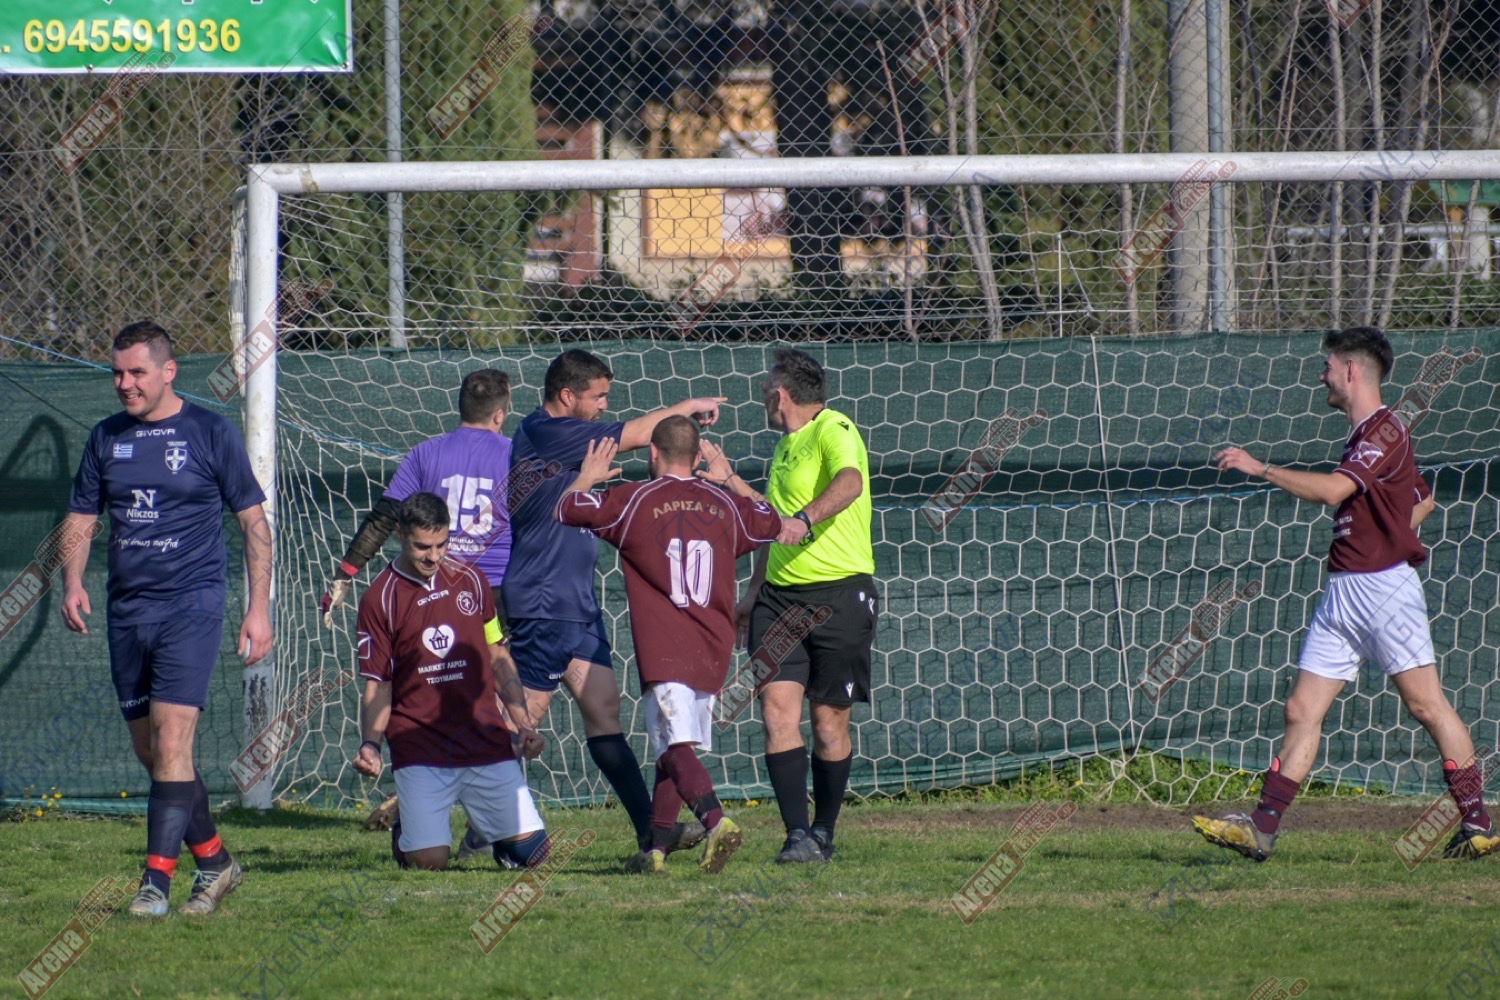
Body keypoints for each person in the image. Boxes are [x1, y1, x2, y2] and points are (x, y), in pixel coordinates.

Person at [1192, 326, 1498, 862]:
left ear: (1351, 370)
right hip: (1344, 591)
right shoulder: (1367, 436)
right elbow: (1422, 500)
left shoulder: (1383, 429)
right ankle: (1262, 829)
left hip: (1382, 590)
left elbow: (1335, 491)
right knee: (1300, 709)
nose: (1322, 376)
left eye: (1328, 367)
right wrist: (1392, 528)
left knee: (1425, 705)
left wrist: (1260, 467)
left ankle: (1478, 823)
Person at [61, 321, 274, 917]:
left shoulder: (210, 431)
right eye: (117, 373)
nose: (125, 383)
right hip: (127, 612)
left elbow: (253, 523)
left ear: (168, 371)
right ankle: (216, 861)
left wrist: (258, 608)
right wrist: (72, 582)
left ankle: (155, 884)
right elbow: (81, 518)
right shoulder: (105, 438)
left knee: (173, 740)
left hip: (191, 606)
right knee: (154, 755)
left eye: (137, 372)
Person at [502, 348, 727, 863]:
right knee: (520, 722)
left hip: (575, 602)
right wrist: (686, 409)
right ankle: (492, 828)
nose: (605, 404)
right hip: (544, 598)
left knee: (604, 714)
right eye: (598, 396)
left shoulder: (565, 437)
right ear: (567, 396)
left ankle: (651, 832)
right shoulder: (545, 430)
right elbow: (639, 434)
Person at [557, 418, 786, 873]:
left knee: (672, 745)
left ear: (652, 453)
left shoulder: (634, 500)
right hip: (713, 644)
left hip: (665, 645)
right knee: (673, 746)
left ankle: (717, 822)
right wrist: (731, 479)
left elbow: (567, 508)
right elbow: (772, 519)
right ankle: (654, 850)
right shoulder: (727, 504)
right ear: (698, 457)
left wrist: (587, 476)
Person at [320, 368, 518, 857]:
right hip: (491, 590)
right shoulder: (515, 454)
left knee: (427, 699)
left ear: (459, 406)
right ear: (501, 413)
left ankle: (464, 819)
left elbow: (385, 517)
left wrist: (346, 572)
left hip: (430, 593)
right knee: (498, 706)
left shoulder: (426, 454)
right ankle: (466, 822)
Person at [702, 348, 877, 864]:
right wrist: (752, 591)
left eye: (764, 393)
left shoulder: (834, 428)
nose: (763, 401)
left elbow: (850, 483)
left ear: (779, 395)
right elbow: (772, 522)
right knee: (777, 712)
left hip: (839, 595)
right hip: (778, 600)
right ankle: (797, 835)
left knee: (828, 722)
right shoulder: (784, 448)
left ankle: (824, 831)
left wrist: (805, 518)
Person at [351, 492, 549, 871]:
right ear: (399, 534)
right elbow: (379, 684)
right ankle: (408, 828)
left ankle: (501, 843)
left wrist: (524, 725)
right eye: (422, 547)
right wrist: (371, 745)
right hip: (420, 745)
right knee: (429, 864)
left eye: (441, 544)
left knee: (534, 855)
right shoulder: (380, 599)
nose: (433, 556)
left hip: (482, 739)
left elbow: (498, 656)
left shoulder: (471, 580)